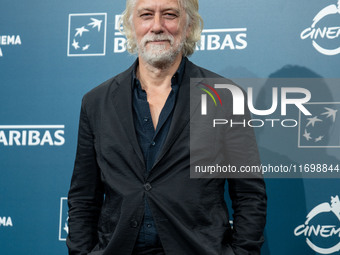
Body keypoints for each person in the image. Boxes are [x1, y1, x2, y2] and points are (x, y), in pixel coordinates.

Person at [66, 0, 267, 254]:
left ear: (189, 24)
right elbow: (83, 198)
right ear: (132, 24)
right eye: (146, 15)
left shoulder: (224, 97)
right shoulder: (96, 102)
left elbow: (249, 195)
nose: (157, 26)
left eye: (170, 15)